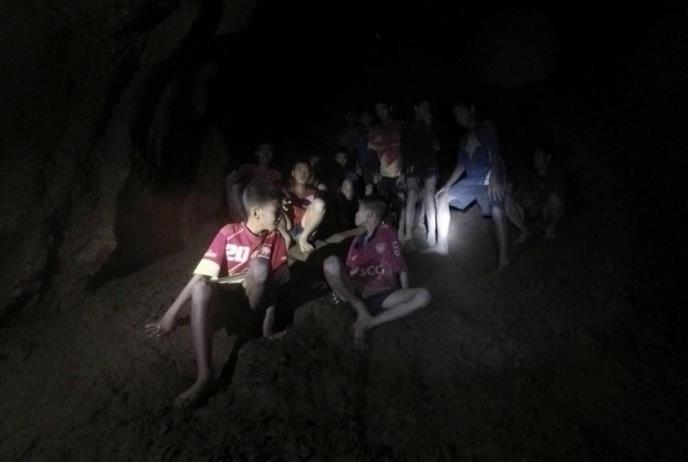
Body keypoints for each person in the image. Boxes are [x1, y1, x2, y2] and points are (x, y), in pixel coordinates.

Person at [145, 182, 289, 408]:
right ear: (255, 213)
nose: (281, 215)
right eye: (276, 210)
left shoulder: (275, 238)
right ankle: (205, 375)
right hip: (227, 306)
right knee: (201, 287)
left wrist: (267, 327)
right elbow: (201, 275)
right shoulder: (229, 233)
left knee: (261, 268)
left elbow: (274, 287)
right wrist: (170, 315)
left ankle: (247, 332)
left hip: (252, 308)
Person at [322, 196, 431, 348]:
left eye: (359, 211)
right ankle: (361, 309)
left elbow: (401, 267)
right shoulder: (357, 239)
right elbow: (347, 268)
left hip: (381, 293)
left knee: (423, 295)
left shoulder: (386, 231)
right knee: (330, 263)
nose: (355, 214)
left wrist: (404, 294)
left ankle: (369, 323)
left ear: (369, 215)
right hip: (356, 291)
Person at [433, 104, 528, 269]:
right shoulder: (463, 140)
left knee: (498, 208)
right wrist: (447, 185)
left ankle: (504, 259)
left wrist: (495, 178)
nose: (459, 117)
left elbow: (495, 153)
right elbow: (461, 165)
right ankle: (441, 245)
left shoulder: (487, 127)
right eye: (456, 115)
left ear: (471, 110)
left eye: (462, 112)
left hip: (490, 175)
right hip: (472, 180)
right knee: (442, 197)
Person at [401, 99, 440, 249]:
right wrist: (403, 172)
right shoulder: (407, 127)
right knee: (411, 193)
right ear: (416, 108)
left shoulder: (431, 125)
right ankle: (408, 236)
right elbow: (404, 150)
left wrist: (429, 126)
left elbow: (437, 146)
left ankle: (431, 234)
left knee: (430, 194)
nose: (426, 110)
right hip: (413, 165)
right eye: (423, 107)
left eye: (428, 107)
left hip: (430, 164)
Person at [508, 148, 565, 239]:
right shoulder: (530, 178)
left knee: (555, 198)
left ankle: (551, 228)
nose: (535, 159)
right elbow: (519, 193)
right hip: (533, 216)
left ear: (548, 158)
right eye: (534, 156)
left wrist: (537, 203)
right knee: (509, 200)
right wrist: (509, 191)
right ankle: (524, 231)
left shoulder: (555, 176)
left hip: (548, 213)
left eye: (539, 155)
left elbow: (556, 196)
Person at [368, 101, 405, 237]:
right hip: (383, 174)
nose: (380, 112)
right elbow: (371, 153)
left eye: (383, 108)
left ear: (390, 108)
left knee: (401, 201)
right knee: (383, 205)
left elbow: (407, 149)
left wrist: (404, 172)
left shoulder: (400, 126)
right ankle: (389, 233)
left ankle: (401, 232)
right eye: (378, 110)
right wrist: (374, 172)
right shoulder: (374, 130)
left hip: (400, 173)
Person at [226, 142, 282, 221]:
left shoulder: (276, 174)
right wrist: (243, 216)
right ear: (257, 152)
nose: (266, 153)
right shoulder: (247, 169)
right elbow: (234, 186)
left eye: (269, 150)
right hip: (247, 213)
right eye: (263, 149)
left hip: (267, 214)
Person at [284, 159, 327, 253]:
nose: (302, 174)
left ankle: (303, 238)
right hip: (289, 228)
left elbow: (319, 210)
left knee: (320, 203)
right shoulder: (286, 191)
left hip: (305, 228)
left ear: (310, 174)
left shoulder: (314, 192)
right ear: (293, 173)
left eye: (306, 171)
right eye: (299, 170)